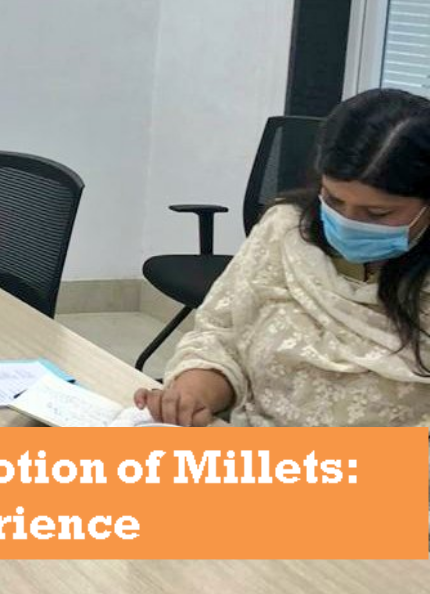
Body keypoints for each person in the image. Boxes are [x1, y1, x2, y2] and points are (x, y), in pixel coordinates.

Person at [135, 88, 429, 427]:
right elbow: (222, 336)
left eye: (377, 213)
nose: (347, 222)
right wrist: (194, 393)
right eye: (333, 200)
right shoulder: (286, 231)